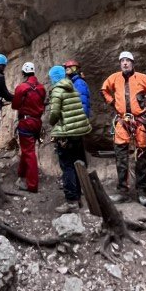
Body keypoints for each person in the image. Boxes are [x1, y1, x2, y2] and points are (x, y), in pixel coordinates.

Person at [100, 50, 146, 207]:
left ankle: (142, 192)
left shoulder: (141, 78)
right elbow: (104, 89)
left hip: (139, 123)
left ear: (133, 63)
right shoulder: (114, 78)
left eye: (127, 60)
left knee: (141, 159)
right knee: (121, 158)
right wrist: (112, 102)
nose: (124, 63)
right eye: (122, 61)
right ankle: (123, 192)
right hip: (122, 123)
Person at [49, 65, 92, 213]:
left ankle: (71, 201)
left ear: (53, 78)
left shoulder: (57, 90)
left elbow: (54, 113)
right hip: (78, 133)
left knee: (67, 166)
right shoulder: (72, 87)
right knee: (77, 164)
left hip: (66, 134)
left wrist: (51, 121)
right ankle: (79, 197)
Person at [11, 62, 46, 193]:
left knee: (29, 152)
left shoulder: (22, 87)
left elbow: (15, 105)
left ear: (23, 73)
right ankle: (21, 174)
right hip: (37, 122)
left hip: (26, 122)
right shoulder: (41, 88)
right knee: (27, 150)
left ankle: (32, 185)